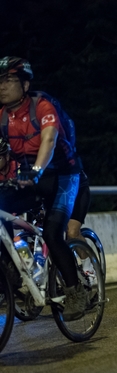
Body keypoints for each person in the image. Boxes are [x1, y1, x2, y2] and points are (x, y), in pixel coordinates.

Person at [0, 56, 86, 319]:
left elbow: (48, 140)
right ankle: (11, 275)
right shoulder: (2, 115)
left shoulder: (42, 106)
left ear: (25, 85)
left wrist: (36, 170)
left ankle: (75, 291)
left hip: (61, 175)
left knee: (52, 232)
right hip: (29, 178)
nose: (2, 86)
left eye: (8, 80)